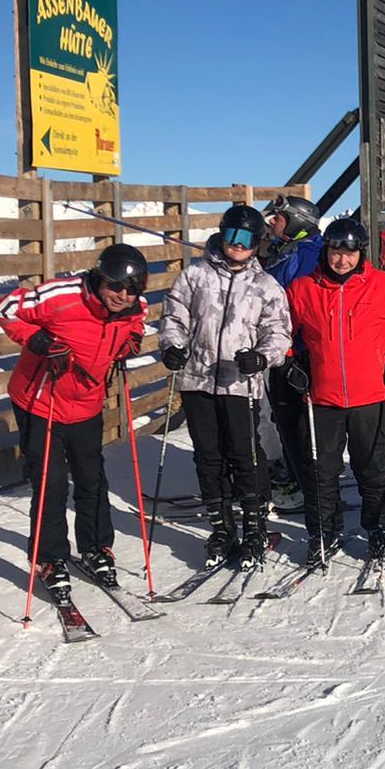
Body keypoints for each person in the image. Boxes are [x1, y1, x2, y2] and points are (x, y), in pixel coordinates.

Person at [0, 244, 150, 600]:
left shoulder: (133, 306)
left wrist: (132, 340)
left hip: (87, 404)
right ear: (99, 279)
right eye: (115, 286)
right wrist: (38, 340)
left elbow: (138, 321)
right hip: (41, 401)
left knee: (92, 477)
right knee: (51, 482)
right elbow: (4, 308)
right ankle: (50, 558)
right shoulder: (62, 296)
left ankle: (96, 547)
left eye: (131, 289)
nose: (123, 296)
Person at [285, 216, 385, 570]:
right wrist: (290, 363)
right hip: (322, 397)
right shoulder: (303, 289)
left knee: (372, 469)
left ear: (361, 254)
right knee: (321, 472)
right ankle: (323, 532)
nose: (342, 260)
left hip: (372, 396)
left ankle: (379, 529)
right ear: (326, 251)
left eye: (350, 253)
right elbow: (280, 328)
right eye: (336, 252)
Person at [160, 205, 292, 569]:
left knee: (246, 457)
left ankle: (254, 528)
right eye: (233, 235)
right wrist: (172, 347)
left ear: (257, 243)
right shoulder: (195, 276)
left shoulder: (266, 286)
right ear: (222, 233)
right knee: (208, 458)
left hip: (239, 384)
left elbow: (279, 331)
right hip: (197, 380)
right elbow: (173, 316)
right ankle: (221, 528)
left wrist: (262, 358)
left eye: (247, 239)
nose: (238, 245)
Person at [258, 194, 325, 513]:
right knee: (287, 417)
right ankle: (300, 472)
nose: (273, 222)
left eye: (279, 218)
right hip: (287, 348)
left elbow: (292, 301)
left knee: (295, 420)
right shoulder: (291, 250)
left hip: (295, 351)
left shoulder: (307, 254)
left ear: (297, 222)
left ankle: (305, 482)